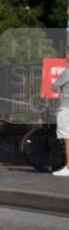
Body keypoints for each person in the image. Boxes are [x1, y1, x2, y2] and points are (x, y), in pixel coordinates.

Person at [52, 48, 69, 177]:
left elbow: (54, 85)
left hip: (66, 108)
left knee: (67, 138)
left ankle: (68, 167)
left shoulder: (67, 72)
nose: (66, 56)